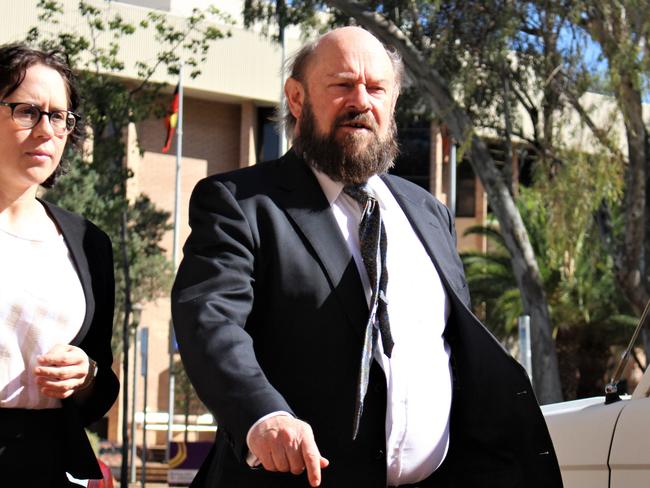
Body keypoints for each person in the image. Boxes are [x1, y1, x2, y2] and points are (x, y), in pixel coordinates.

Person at [172, 27, 563, 488]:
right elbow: (210, 321)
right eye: (342, 86)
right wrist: (263, 414)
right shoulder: (240, 202)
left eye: (376, 88)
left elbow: (450, 349)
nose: (361, 101)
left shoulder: (428, 212)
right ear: (297, 99)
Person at [0, 44, 119, 486]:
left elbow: (101, 388)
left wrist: (84, 374)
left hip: (50, 460)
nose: (46, 130)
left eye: (59, 117)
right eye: (27, 111)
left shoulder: (90, 243)